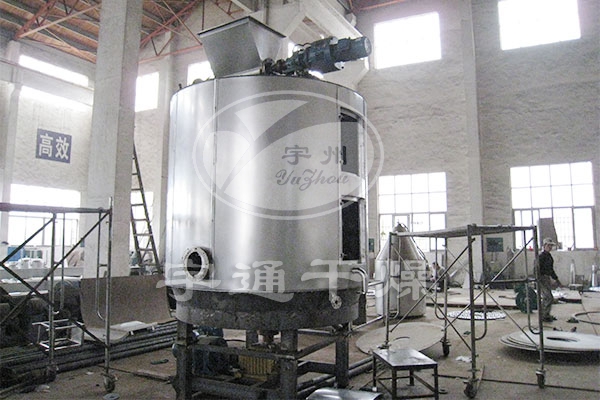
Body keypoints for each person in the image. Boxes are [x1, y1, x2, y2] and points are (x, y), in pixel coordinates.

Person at [538, 238, 563, 322]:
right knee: (548, 297)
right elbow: (536, 269)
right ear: (544, 246)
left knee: (547, 297)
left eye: (551, 246)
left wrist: (556, 279)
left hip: (546, 278)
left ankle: (545, 314)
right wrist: (538, 279)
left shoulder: (549, 257)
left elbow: (551, 270)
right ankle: (543, 315)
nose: (550, 247)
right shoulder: (541, 257)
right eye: (548, 245)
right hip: (542, 278)